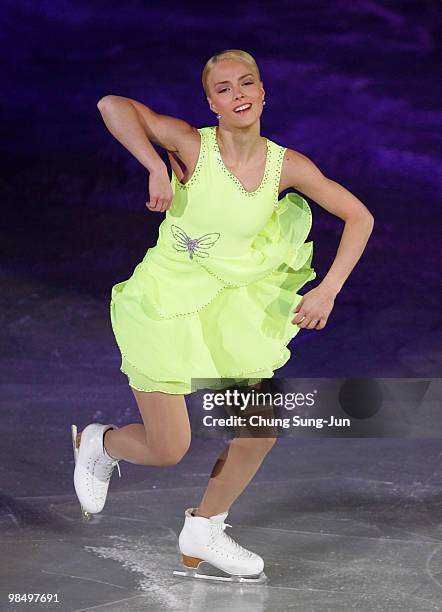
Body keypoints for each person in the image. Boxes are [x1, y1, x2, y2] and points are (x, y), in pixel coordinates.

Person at [72, 49, 374, 583]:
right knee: (169, 449)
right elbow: (111, 104)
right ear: (211, 103)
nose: (239, 95)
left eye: (248, 84)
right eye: (226, 89)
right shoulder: (190, 145)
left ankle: (205, 528)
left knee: (259, 427)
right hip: (163, 305)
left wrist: (327, 289)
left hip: (232, 307)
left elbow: (359, 216)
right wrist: (154, 164)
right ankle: (100, 443)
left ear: (263, 93)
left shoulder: (288, 165)